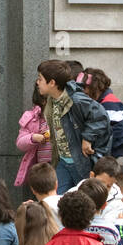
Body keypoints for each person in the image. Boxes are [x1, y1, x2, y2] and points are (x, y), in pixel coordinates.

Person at [36, 59, 112, 194]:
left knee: (86, 200)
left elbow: (101, 117)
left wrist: (87, 138)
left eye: (40, 79)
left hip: (80, 162)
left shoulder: (76, 99)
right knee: (56, 201)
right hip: (62, 162)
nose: (37, 82)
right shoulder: (51, 100)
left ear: (52, 83)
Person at [81, 68, 123, 159]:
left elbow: (116, 130)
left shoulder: (110, 103)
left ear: (95, 88)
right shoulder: (102, 101)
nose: (84, 93)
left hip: (116, 147)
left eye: (86, 90)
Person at [14, 84, 51, 187]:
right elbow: (20, 142)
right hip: (42, 166)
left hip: (60, 163)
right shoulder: (32, 118)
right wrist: (33, 137)